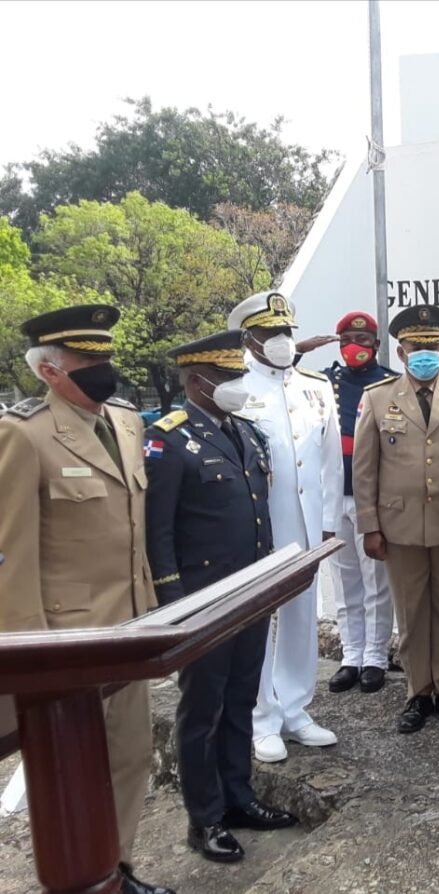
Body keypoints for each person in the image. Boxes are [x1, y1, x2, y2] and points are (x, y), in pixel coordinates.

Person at [0, 305, 174, 894]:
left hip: (128, 632)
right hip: (66, 643)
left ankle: (116, 870)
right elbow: (12, 555)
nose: (104, 368)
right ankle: (77, 880)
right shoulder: (23, 435)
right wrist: (29, 656)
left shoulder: (125, 420)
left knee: (130, 756)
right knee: (71, 772)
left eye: (105, 356)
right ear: (50, 371)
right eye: (87, 360)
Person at [143, 331, 297, 863]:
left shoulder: (246, 433)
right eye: (226, 379)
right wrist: (174, 604)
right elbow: (157, 531)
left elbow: (258, 511)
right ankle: (203, 818)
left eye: (237, 377)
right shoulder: (168, 440)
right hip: (204, 597)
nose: (236, 386)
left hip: (250, 592)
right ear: (196, 381)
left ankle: (239, 798)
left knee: (241, 698)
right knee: (202, 707)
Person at [352, 305, 439, 733]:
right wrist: (370, 525)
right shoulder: (377, 397)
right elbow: (364, 468)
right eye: (415, 346)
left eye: (431, 345)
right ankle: (417, 693)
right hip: (399, 526)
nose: (423, 352)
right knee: (410, 615)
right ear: (402, 351)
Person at [228, 291, 343, 762]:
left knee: (301, 615)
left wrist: (331, 525)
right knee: (258, 620)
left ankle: (296, 710)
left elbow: (331, 461)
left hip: (306, 522)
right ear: (249, 339)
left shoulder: (315, 386)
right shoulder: (233, 386)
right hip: (257, 523)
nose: (280, 341)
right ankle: (261, 717)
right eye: (269, 333)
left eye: (286, 332)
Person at [299, 312, 399, 695]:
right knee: (344, 581)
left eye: (362, 338)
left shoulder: (388, 382)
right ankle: (350, 655)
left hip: (370, 496)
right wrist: (299, 351)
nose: (354, 346)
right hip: (333, 492)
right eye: (347, 340)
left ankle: (375, 657)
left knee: (377, 582)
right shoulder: (327, 380)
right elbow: (284, 378)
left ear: (375, 343)